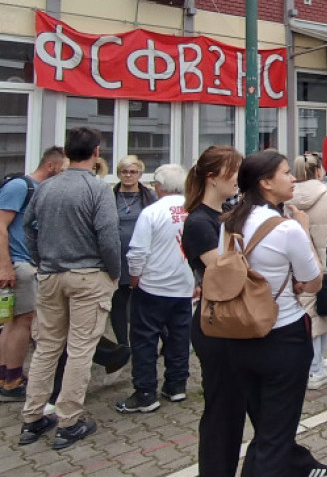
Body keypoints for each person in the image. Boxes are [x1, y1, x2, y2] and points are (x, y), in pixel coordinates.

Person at [217, 151, 327, 477]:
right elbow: (313, 281)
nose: (293, 178)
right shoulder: (287, 229)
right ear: (266, 183)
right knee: (276, 433)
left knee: (266, 425)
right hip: (282, 335)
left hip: (239, 333)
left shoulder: (229, 223)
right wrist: (304, 230)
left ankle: (298, 467)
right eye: (285, 172)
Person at [18, 127, 120, 450]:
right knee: (79, 350)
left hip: (50, 275)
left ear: (66, 152)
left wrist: (41, 260)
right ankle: (68, 422)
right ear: (97, 152)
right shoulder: (98, 188)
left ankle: (32, 417)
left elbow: (28, 227)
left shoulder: (46, 187)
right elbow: (108, 236)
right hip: (88, 275)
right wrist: (114, 273)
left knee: (46, 347)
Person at [180, 145, 245, 477]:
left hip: (232, 321)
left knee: (235, 408)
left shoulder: (226, 212)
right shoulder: (198, 221)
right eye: (233, 171)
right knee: (222, 411)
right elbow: (224, 273)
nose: (238, 178)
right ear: (212, 176)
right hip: (215, 323)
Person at [116, 164, 192, 414]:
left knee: (145, 340)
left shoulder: (151, 212)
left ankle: (146, 392)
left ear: (159, 186)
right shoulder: (193, 210)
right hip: (184, 285)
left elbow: (138, 251)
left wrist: (134, 277)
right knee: (179, 336)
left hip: (153, 285)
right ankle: (177, 385)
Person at [0, 146, 65, 403]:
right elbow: (0, 225)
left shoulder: (41, 190)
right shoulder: (21, 187)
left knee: (12, 321)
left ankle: (6, 374)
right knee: (23, 322)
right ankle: (12, 381)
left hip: (26, 265)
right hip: (20, 266)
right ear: (51, 166)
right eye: (63, 169)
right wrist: (6, 265)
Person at [288, 152, 327, 391]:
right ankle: (315, 367)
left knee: (307, 313)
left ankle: (314, 361)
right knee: (326, 314)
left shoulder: (287, 199)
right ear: (319, 171)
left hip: (297, 265)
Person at [111, 155, 158, 349]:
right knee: (119, 301)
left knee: (148, 300)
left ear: (140, 174)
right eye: (124, 172)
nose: (128, 175)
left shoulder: (149, 196)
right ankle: (123, 345)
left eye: (133, 172)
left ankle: (158, 339)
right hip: (117, 257)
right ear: (118, 174)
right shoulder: (110, 196)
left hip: (145, 256)